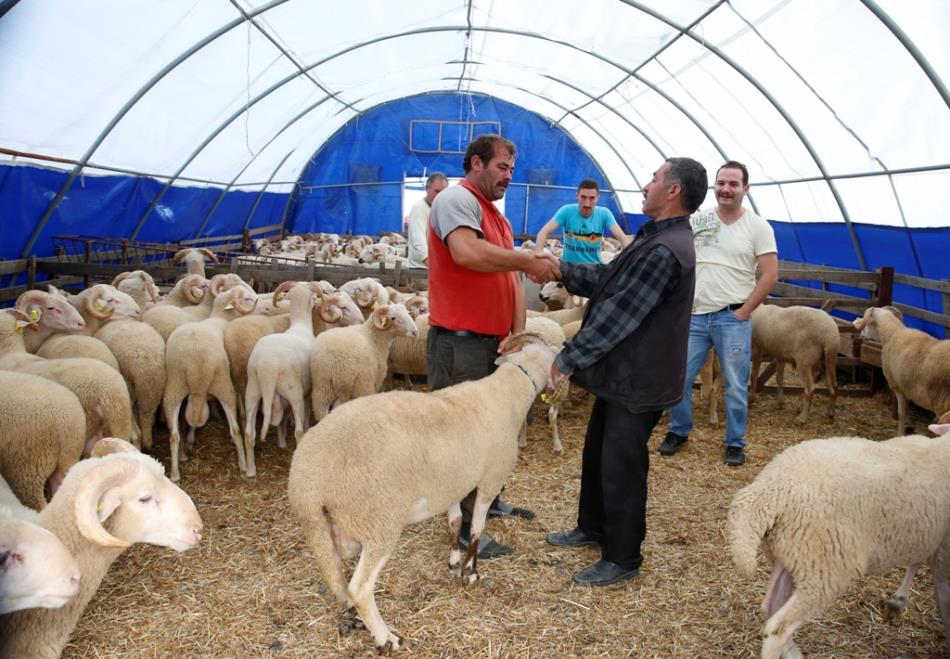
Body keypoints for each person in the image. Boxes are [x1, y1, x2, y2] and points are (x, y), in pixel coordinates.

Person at [545, 157, 708, 586]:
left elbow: (619, 313)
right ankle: (592, 528)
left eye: (655, 178)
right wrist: (562, 269)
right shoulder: (654, 238)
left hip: (641, 378)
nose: (646, 184)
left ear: (673, 191)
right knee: (598, 451)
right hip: (624, 376)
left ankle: (622, 556)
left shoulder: (667, 249)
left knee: (622, 464)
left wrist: (566, 359)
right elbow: (609, 279)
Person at [426, 134, 559, 559]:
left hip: (494, 343)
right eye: (502, 168)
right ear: (476, 163)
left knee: (496, 432)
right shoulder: (455, 201)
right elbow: (465, 254)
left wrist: (518, 335)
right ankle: (464, 529)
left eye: (512, 171)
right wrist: (524, 259)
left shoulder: (495, 217)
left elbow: (509, 280)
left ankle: (489, 500)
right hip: (460, 341)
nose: (508, 177)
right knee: (464, 434)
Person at [659, 161, 778, 467]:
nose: (726, 189)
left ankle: (735, 442)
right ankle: (679, 430)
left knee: (735, 384)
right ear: (715, 186)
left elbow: (769, 274)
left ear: (746, 189)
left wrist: (745, 311)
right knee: (678, 378)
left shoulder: (758, 227)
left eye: (733, 184)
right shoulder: (699, 220)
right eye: (721, 183)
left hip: (732, 317)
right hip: (696, 316)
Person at [534, 178, 630, 262]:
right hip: (569, 267)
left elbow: (621, 236)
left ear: (598, 198)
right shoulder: (566, 211)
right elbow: (544, 231)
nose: (587, 204)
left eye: (592, 198)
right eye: (583, 197)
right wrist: (538, 254)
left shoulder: (604, 214)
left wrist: (631, 258)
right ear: (577, 196)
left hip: (594, 268)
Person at [406, 172, 448, 268]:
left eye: (444, 192)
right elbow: (418, 241)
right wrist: (432, 265)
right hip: (421, 269)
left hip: (437, 267)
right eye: (436, 191)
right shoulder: (419, 208)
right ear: (427, 189)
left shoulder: (442, 209)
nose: (440, 195)